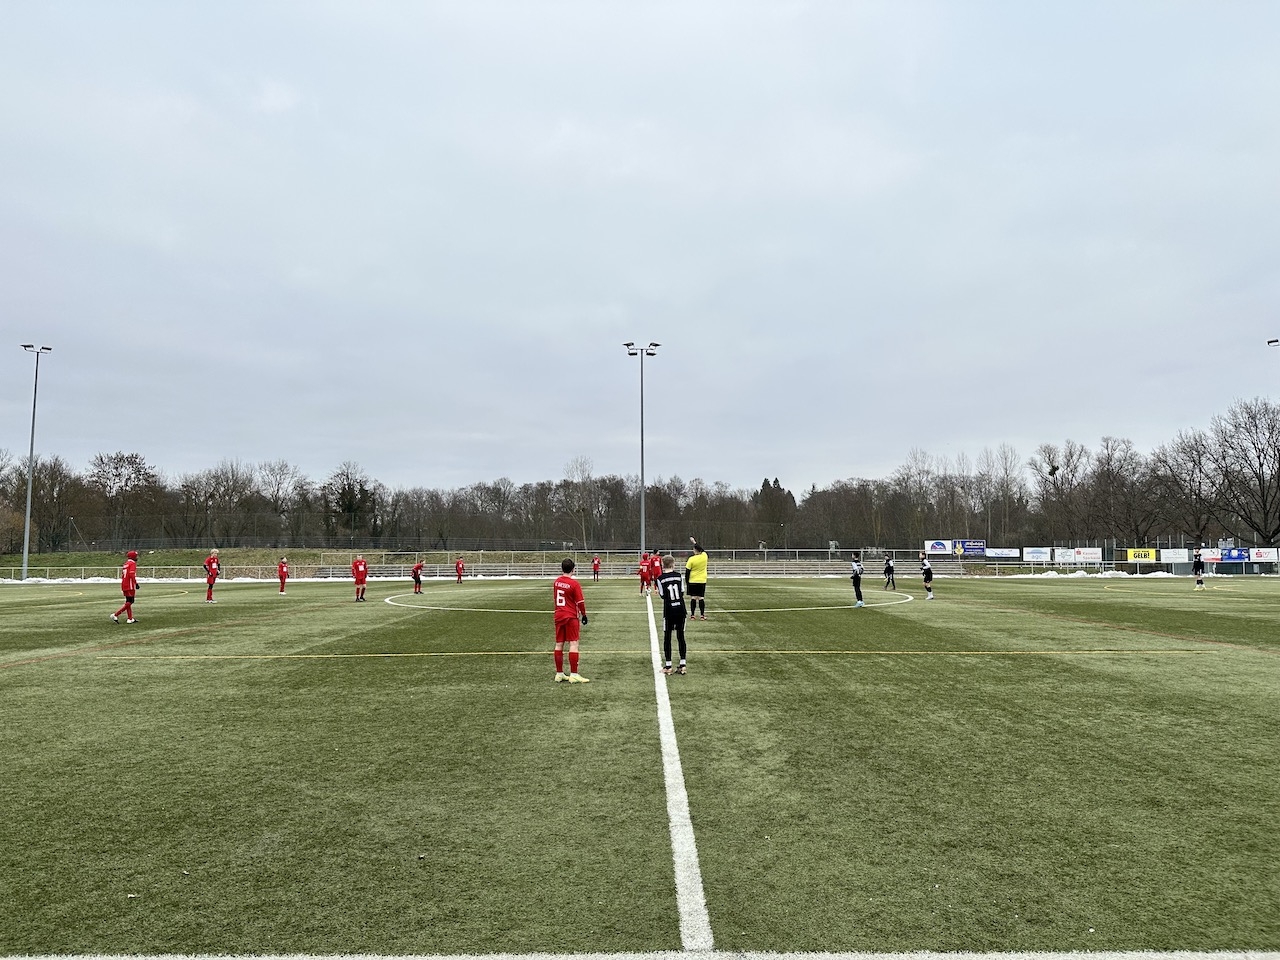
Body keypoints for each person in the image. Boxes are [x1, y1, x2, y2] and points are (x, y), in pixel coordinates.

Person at [552, 557, 589, 683]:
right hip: (570, 616)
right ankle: (574, 674)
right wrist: (584, 614)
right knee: (573, 643)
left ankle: (559, 673)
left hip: (558, 615)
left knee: (559, 644)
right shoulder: (574, 584)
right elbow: (580, 602)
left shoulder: (556, 582)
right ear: (573, 569)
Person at [657, 554, 688, 675]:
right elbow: (682, 591)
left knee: (667, 637)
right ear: (673, 564)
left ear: (662, 565)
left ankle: (668, 666)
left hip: (669, 610)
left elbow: (662, 595)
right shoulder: (679, 576)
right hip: (680, 609)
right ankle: (683, 664)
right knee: (681, 636)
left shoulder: (660, 579)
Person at [112, 550, 139, 623]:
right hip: (129, 584)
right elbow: (131, 574)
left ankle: (130, 618)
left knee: (128, 601)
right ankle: (116, 614)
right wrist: (135, 583)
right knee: (131, 601)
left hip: (124, 584)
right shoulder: (132, 563)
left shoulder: (126, 564)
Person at [685, 536, 709, 619]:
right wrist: (694, 542)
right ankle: (702, 615)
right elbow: (702, 549)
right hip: (702, 580)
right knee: (701, 598)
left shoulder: (691, 559)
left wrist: (687, 582)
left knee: (693, 598)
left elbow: (687, 572)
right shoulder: (704, 556)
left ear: (695, 550)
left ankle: (692, 615)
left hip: (692, 580)